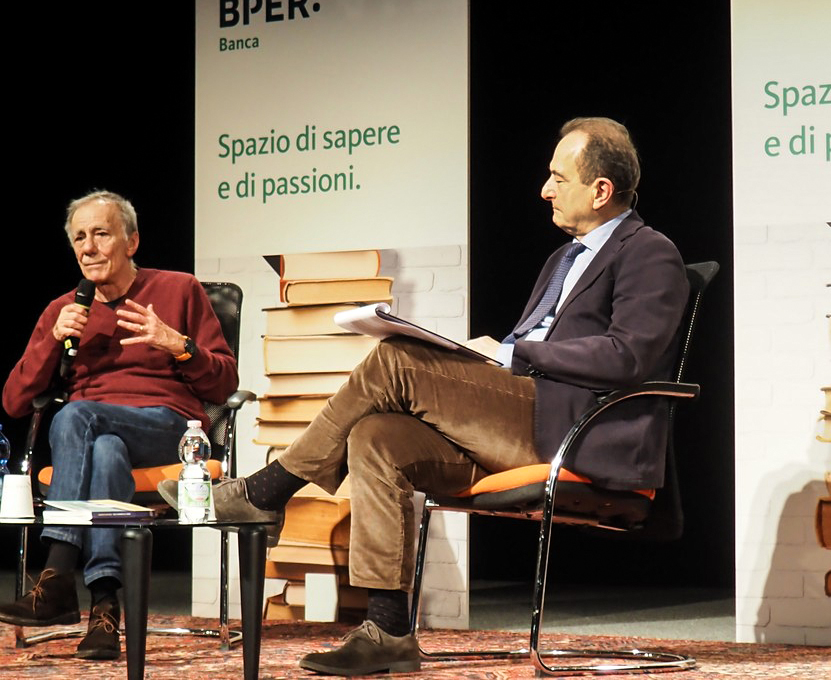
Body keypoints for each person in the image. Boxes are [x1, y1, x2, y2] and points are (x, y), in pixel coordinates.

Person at [160, 117, 690, 675]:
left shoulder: (649, 252)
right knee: (376, 436)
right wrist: (486, 357)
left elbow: (628, 356)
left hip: (570, 429)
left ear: (601, 190)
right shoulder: (563, 259)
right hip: (520, 414)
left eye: (559, 178)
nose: (545, 189)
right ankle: (388, 629)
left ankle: (268, 490)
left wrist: (516, 355)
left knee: (395, 358)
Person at [0, 190, 238, 660]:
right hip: (89, 439)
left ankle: (57, 573)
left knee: (77, 414)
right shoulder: (65, 310)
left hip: (167, 427)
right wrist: (52, 340)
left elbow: (225, 383)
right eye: (79, 238)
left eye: (101, 234)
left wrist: (178, 344)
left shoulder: (179, 289)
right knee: (106, 450)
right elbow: (15, 401)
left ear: (132, 242)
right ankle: (104, 610)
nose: (88, 247)